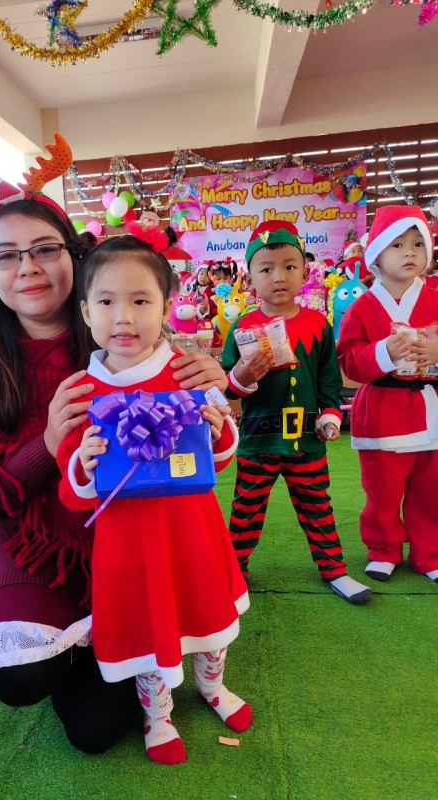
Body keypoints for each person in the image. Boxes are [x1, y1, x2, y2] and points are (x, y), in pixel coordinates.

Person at [0, 145, 232, 755]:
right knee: (19, 676)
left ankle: (116, 647)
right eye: (6, 255)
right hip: (38, 547)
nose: (28, 267)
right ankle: (76, 642)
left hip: (132, 546)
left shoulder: (126, 342)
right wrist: (48, 445)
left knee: (95, 732)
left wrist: (210, 391)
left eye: (45, 248)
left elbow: (195, 444)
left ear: (75, 259)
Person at [56, 234, 251, 765]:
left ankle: (212, 686)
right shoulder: (81, 391)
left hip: (194, 534)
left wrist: (219, 430)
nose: (123, 316)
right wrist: (84, 462)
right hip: (130, 548)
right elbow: (72, 488)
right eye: (106, 301)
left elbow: (220, 458)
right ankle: (158, 715)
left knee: (209, 620)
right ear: (85, 312)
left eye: (140, 300)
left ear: (166, 308)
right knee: (149, 632)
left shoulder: (187, 371)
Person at [222, 221, 372, 605]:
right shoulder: (243, 326)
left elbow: (328, 380)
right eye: (266, 268)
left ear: (305, 272)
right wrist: (241, 378)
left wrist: (330, 414)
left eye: (290, 266)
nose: (279, 277)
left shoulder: (318, 324)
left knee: (317, 506)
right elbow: (224, 387)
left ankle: (334, 569)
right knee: (245, 510)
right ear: (250, 277)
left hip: (306, 438)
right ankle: (231, 574)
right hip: (258, 438)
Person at [337, 205, 438, 584]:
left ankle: (429, 554)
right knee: (382, 492)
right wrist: (383, 353)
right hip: (382, 414)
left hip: (430, 411)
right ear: (376, 255)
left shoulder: (435, 296)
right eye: (397, 245)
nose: (409, 252)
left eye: (417, 244)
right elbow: (349, 363)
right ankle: (383, 549)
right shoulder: (361, 307)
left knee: (431, 491)